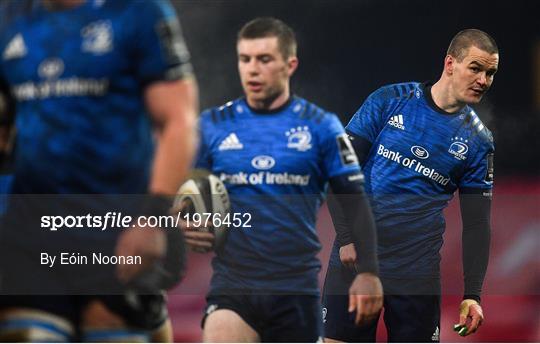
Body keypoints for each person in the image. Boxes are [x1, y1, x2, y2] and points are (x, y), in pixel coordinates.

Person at [0, 0, 198, 342]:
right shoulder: (9, 17)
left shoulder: (139, 12)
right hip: (30, 233)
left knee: (112, 328)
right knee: (28, 333)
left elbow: (178, 120)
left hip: (115, 232)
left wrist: (154, 217)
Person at [183, 17, 383, 342]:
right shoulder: (213, 126)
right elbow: (185, 194)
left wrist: (370, 271)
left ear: (290, 65)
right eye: (245, 59)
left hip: (295, 292)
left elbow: (354, 199)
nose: (252, 69)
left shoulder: (322, 127)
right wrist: (183, 223)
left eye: (264, 59)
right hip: (234, 288)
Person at [322, 29, 498, 342]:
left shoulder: (478, 141)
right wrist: (347, 237)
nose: (483, 80)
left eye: (490, 73)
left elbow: (477, 224)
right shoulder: (389, 100)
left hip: (416, 273)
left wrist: (473, 294)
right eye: (475, 68)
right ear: (450, 63)